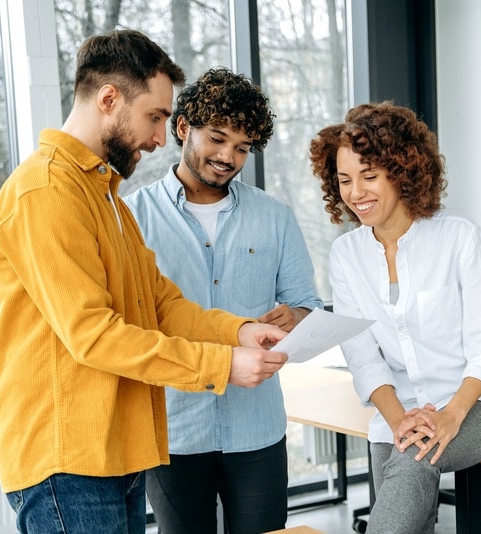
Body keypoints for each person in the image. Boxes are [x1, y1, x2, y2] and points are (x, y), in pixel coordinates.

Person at [0, 30, 289, 533]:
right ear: (109, 99)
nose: (157, 137)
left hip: (116, 451)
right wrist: (221, 364)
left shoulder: (106, 197)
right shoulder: (44, 192)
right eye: (155, 117)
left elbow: (160, 302)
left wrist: (237, 332)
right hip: (68, 461)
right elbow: (94, 334)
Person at [309, 101, 481, 534]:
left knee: (410, 459)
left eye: (369, 176)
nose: (356, 193)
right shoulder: (346, 255)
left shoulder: (458, 238)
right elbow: (364, 358)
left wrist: (448, 415)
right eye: (345, 180)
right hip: (398, 412)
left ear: (402, 172)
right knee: (403, 467)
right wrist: (400, 422)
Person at [124, 66, 322, 534]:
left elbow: (307, 305)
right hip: (173, 429)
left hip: (256, 429)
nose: (227, 156)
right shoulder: (132, 216)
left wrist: (297, 315)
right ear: (182, 128)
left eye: (242, 148)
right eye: (217, 138)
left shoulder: (275, 216)